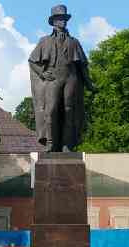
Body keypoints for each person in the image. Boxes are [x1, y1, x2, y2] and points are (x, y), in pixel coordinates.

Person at [28, 4, 95, 152]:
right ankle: (51, 143)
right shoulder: (44, 41)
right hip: (53, 78)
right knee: (50, 110)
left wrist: (89, 83)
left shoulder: (74, 42)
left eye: (64, 18)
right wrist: (42, 73)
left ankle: (66, 144)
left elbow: (83, 65)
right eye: (60, 19)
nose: (63, 21)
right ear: (53, 21)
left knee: (69, 110)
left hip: (71, 78)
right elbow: (32, 61)